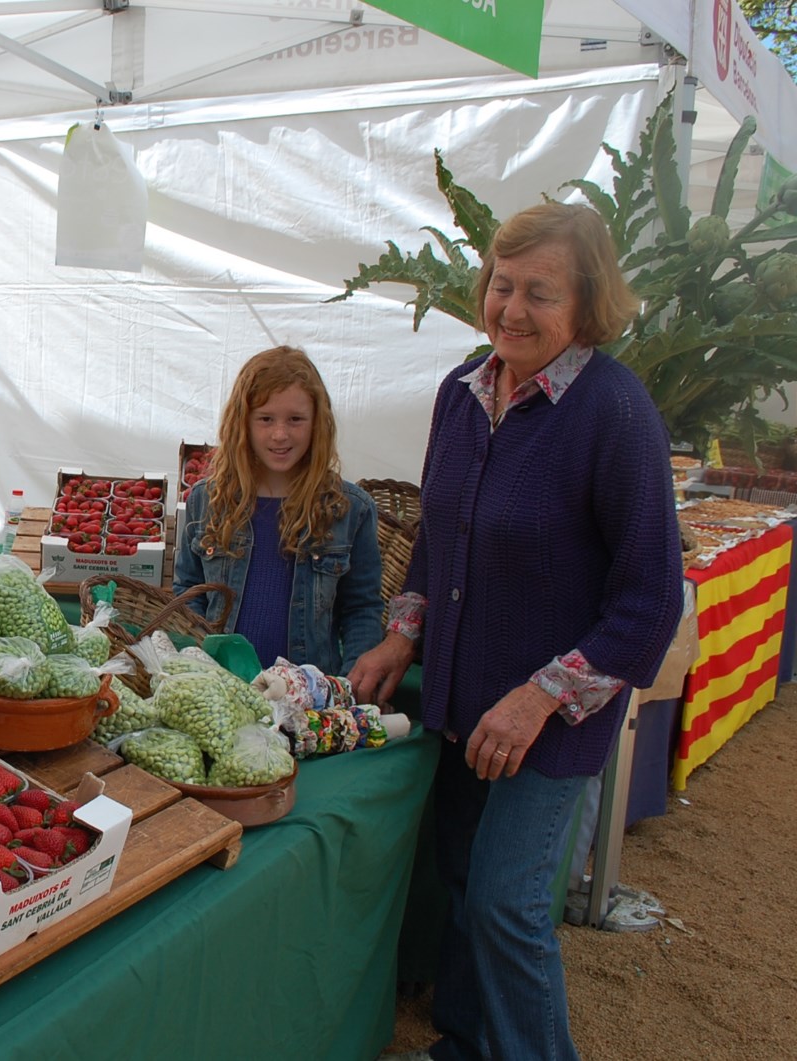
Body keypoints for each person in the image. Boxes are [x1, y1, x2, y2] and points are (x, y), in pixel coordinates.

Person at [350, 202, 683, 1061]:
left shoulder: (612, 409)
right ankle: (465, 1044)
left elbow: (649, 596)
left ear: (587, 306)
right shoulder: (462, 392)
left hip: (550, 714)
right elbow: (436, 536)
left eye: (542, 292)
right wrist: (402, 636)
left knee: (506, 901)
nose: (513, 309)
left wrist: (539, 698)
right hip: (463, 693)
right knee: (460, 883)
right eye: (503, 285)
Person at [172, 345, 384, 676]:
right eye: (266, 419)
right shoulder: (207, 500)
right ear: (242, 423)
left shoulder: (349, 509)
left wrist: (351, 681)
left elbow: (361, 608)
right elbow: (187, 594)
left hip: (307, 698)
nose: (280, 434)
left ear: (318, 424)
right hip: (221, 688)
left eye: (296, 420)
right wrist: (189, 665)